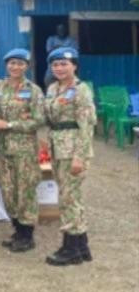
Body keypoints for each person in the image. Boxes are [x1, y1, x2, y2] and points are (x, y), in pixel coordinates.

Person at [44, 48, 95, 266]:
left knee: (69, 199)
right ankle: (82, 246)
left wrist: (79, 157)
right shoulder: (53, 88)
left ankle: (71, 248)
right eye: (55, 64)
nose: (59, 68)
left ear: (74, 66)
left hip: (73, 150)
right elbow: (50, 117)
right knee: (70, 197)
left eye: (64, 64)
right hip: (58, 148)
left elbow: (87, 126)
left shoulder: (81, 89)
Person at [0, 48, 44, 253]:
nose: (15, 67)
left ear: (27, 66)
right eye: (12, 63)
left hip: (24, 150)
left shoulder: (34, 90)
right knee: (8, 190)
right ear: (6, 65)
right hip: (2, 150)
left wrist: (11, 125)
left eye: (20, 63)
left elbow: (39, 119)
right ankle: (17, 229)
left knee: (26, 191)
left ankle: (27, 235)